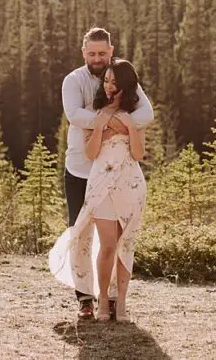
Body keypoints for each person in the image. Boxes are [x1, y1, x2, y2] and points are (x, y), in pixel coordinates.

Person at [55, 27, 153, 321]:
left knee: (113, 238)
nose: (97, 58)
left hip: (117, 172)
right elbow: (74, 114)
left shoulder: (122, 76)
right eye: (92, 53)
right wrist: (109, 122)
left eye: (102, 53)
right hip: (81, 169)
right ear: (84, 53)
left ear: (111, 50)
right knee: (81, 234)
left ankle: (109, 299)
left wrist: (113, 123)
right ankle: (85, 298)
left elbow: (146, 114)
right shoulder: (74, 80)